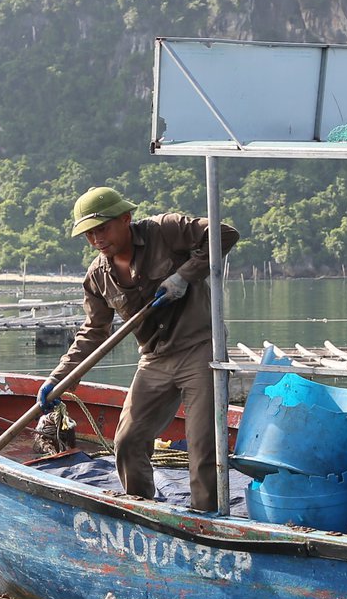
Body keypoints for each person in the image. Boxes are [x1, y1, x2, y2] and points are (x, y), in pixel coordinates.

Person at [40, 186, 237, 513]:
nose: (96, 240)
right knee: (128, 441)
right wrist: (58, 378)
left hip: (200, 349)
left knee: (204, 448)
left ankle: (207, 520)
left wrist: (184, 276)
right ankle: (142, 510)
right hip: (155, 358)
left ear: (126, 218)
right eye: (89, 234)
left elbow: (224, 234)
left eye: (102, 228)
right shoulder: (97, 277)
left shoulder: (165, 230)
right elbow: (93, 332)